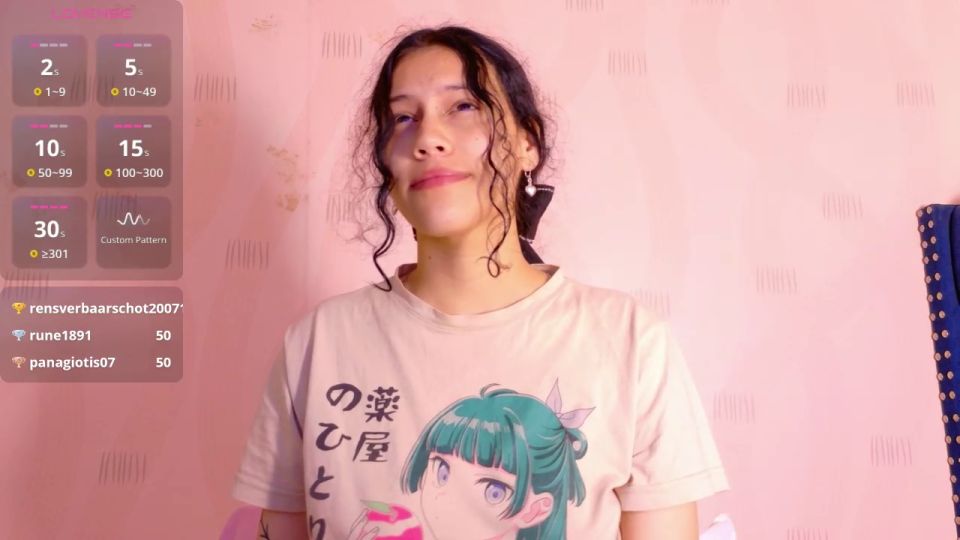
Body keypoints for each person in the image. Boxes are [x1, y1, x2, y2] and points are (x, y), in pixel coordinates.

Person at [231, 24, 729, 540]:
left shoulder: (628, 340)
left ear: (528, 143)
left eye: (463, 106)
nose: (428, 138)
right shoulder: (317, 342)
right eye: (403, 118)